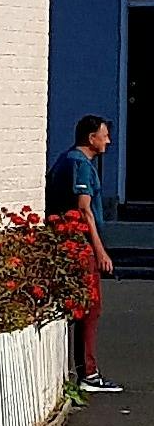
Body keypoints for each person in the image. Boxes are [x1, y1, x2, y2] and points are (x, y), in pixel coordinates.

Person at [45, 113, 120, 390]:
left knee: (83, 305)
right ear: (92, 138)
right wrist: (100, 251)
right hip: (79, 243)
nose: (108, 141)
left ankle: (83, 370)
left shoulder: (68, 160)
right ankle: (88, 373)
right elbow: (84, 209)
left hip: (71, 241)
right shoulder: (80, 165)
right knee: (90, 306)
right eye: (105, 135)